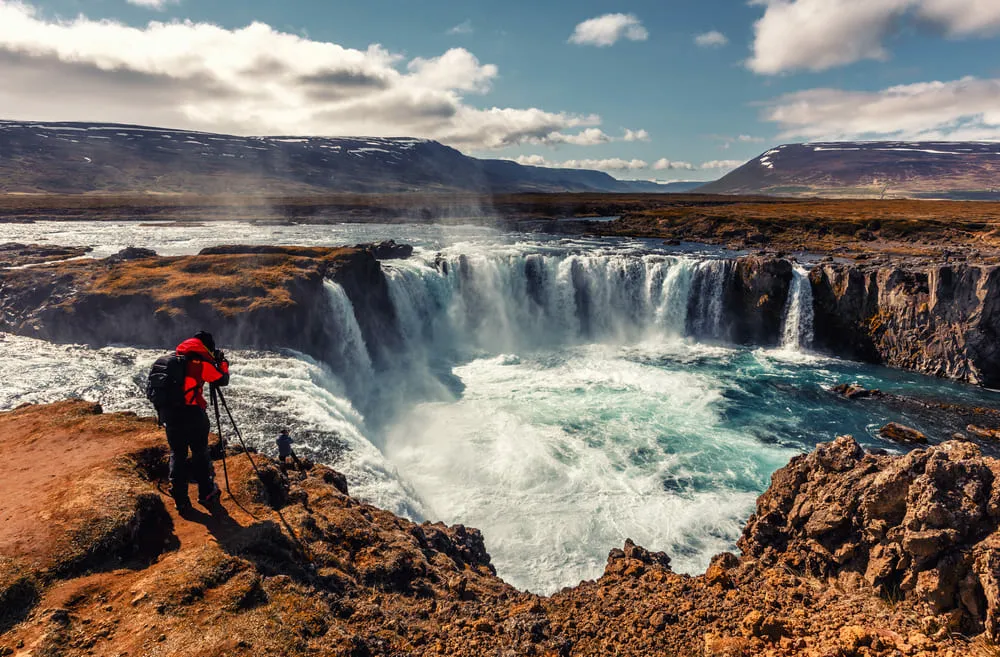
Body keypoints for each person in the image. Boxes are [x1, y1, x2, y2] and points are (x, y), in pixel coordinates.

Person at [163, 331, 229, 511]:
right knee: (200, 453)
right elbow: (222, 379)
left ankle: (180, 498)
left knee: (178, 454)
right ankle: (206, 494)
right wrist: (222, 363)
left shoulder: (172, 359)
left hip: (170, 416)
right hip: (192, 415)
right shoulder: (199, 363)